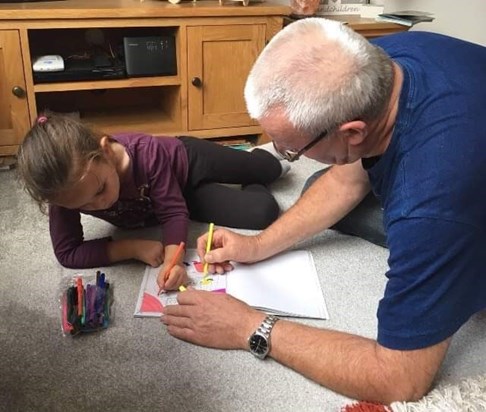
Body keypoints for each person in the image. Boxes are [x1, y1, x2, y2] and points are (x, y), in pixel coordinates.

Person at [161, 18, 486, 403]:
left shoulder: (429, 204)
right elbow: (346, 179)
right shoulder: (383, 59)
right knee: (321, 185)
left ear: (353, 132)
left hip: (453, 193)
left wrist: (249, 325)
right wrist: (256, 246)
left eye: (290, 151)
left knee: (416, 229)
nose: (284, 156)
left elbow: (399, 380)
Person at [17, 112, 289, 290]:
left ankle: (258, 158)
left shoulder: (146, 152)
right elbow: (67, 253)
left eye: (100, 189)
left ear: (105, 152)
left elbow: (172, 214)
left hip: (189, 162)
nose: (99, 205)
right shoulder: (63, 190)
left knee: (269, 170)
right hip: (182, 200)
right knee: (263, 211)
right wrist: (131, 248)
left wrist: (174, 261)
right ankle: (250, 182)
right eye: (83, 205)